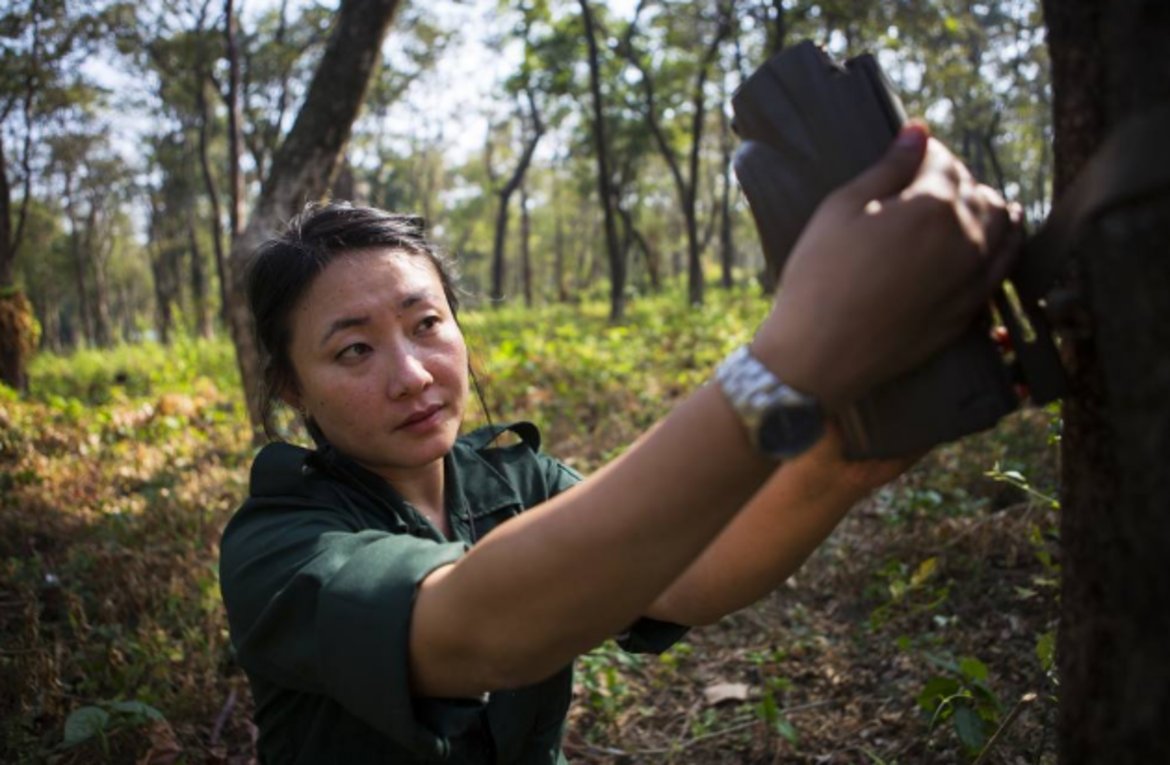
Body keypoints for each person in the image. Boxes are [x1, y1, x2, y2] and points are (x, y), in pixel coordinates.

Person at [219, 122, 1021, 764]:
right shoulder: (280, 547)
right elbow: (481, 630)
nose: (411, 374)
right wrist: (787, 360)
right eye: (353, 349)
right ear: (293, 388)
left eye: (427, 324)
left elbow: (686, 574)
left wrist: (863, 448)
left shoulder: (513, 479)